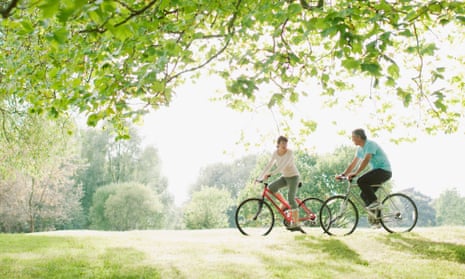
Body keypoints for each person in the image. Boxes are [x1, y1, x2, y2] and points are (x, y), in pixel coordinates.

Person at [336, 129, 392, 212]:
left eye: (353, 137)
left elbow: (366, 159)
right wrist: (343, 175)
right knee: (364, 195)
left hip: (384, 171)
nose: (352, 139)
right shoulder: (360, 149)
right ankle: (376, 220)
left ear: (359, 137)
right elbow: (353, 163)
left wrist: (356, 173)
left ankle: (375, 202)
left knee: (361, 181)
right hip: (378, 172)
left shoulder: (370, 144)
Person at [259, 136, 301, 231]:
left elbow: (282, 166)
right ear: (278, 144)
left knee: (291, 197)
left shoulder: (289, 153)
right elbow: (269, 165)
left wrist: (270, 174)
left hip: (294, 177)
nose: (285, 145)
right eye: (282, 143)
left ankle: (296, 223)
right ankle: (285, 204)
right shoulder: (275, 153)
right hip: (285, 177)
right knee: (271, 188)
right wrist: (260, 177)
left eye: (286, 143)